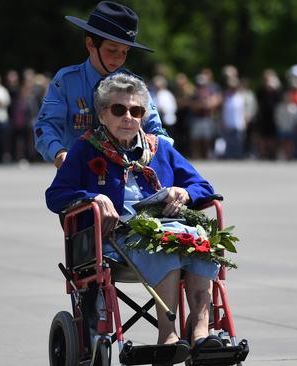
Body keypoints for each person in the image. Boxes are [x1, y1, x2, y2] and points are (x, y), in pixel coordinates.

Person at [46, 73, 223, 351]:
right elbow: (56, 195)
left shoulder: (159, 147)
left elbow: (203, 185)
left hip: (168, 226)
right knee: (167, 244)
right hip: (115, 241)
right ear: (103, 114)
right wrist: (94, 197)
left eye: (136, 110)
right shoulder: (85, 148)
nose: (128, 117)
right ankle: (168, 337)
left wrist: (185, 193)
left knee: (200, 242)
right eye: (119, 110)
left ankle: (202, 336)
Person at [34, 1, 167, 168]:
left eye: (125, 52)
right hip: (79, 172)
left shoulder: (135, 85)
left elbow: (156, 130)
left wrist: (166, 154)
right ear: (90, 44)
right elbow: (46, 126)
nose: (119, 58)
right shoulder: (66, 81)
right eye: (112, 50)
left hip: (127, 176)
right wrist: (58, 153)